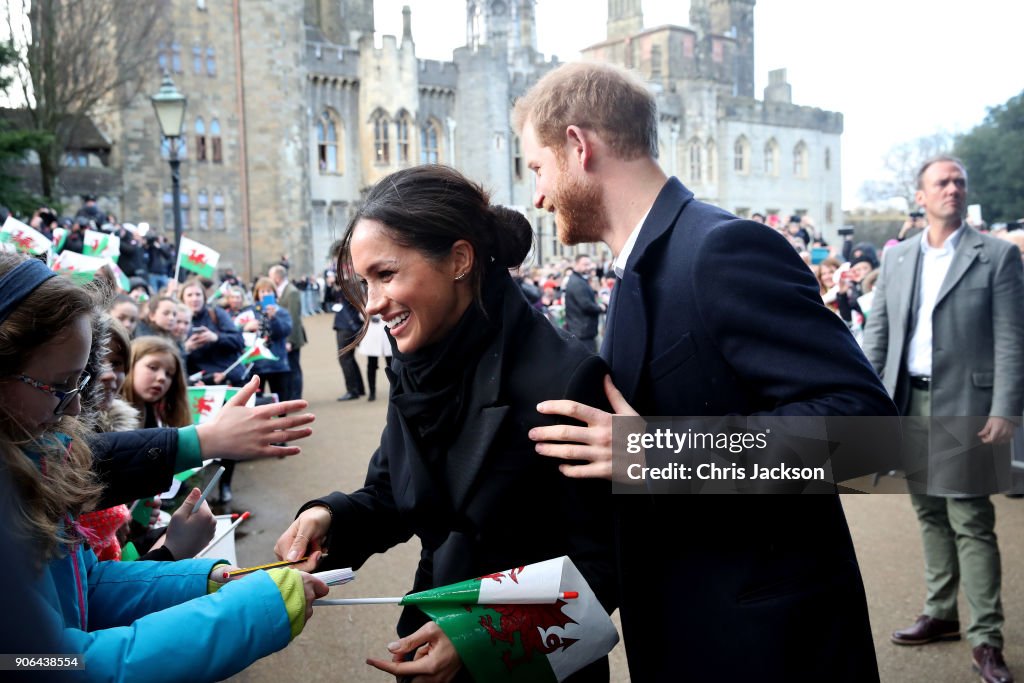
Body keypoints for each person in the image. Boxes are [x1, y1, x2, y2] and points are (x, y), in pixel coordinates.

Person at [515, 62, 897, 681]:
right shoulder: (644, 263)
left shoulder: (720, 248)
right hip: (687, 631)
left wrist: (660, 454)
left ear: (579, 147)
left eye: (536, 167)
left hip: (768, 648)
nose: (536, 195)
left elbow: (865, 433)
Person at [273, 165, 616, 682]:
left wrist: (482, 637)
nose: (371, 306)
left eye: (386, 275)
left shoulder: (564, 378)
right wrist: (330, 519)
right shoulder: (417, 359)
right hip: (430, 635)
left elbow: (607, 561)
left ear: (459, 259)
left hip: (529, 667)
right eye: (364, 282)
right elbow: (396, 492)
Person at [0, 252, 328, 681]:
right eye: (59, 386)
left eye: (79, 382)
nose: (77, 405)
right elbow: (53, 666)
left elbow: (88, 589)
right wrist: (252, 609)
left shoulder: (32, 457)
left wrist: (208, 583)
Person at [862, 156, 1023, 683]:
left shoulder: (996, 256)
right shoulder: (900, 258)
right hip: (909, 402)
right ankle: (942, 612)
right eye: (942, 182)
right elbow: (879, 337)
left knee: (971, 521)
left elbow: (1011, 340)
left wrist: (1005, 409)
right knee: (929, 513)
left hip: (967, 408)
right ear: (921, 196)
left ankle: (987, 638)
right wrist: (870, 403)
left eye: (960, 181)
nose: (953, 188)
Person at [178, 276, 246, 385]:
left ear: (204, 297)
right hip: (200, 382)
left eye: (198, 294)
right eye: (190, 295)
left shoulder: (217, 314)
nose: (194, 299)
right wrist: (186, 348)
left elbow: (239, 341)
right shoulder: (176, 321)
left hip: (227, 377)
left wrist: (216, 338)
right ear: (182, 299)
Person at [269, 264, 306, 400]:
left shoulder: (291, 292)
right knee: (289, 368)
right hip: (286, 337)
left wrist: (290, 340)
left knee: (294, 368)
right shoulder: (282, 291)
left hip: (292, 338)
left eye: (271, 277)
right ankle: (291, 395)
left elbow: (294, 318)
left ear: (277, 278)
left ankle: (296, 397)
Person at [331, 270, 365, 401]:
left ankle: (352, 390)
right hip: (349, 325)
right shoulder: (352, 285)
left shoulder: (348, 286)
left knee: (344, 359)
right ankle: (359, 388)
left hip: (347, 326)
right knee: (349, 358)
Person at [563, 254, 605, 352]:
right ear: (576, 265)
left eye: (589, 264)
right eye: (585, 265)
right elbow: (586, 305)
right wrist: (601, 308)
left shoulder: (579, 279)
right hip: (582, 332)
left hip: (583, 330)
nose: (589, 267)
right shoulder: (577, 282)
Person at [356, 307, 391, 402]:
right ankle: (372, 391)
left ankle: (394, 389)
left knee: (391, 365)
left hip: (387, 332)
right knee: (371, 365)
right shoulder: (368, 296)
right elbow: (361, 316)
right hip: (373, 334)